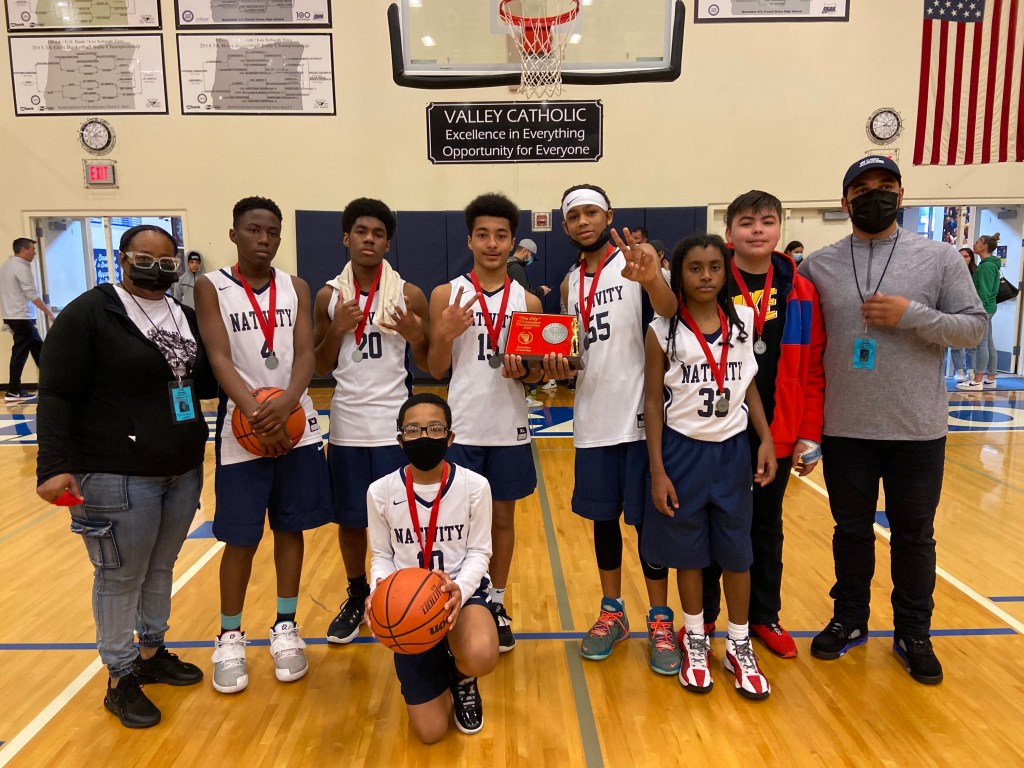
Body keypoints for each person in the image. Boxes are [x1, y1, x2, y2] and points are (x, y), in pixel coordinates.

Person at [800, 155, 986, 685]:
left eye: (885, 186)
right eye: (862, 189)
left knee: (914, 536)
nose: (874, 195)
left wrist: (913, 315)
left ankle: (913, 632)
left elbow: (973, 327)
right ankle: (850, 618)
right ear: (845, 202)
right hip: (845, 428)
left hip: (917, 429)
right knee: (850, 532)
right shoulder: (818, 266)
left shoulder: (939, 258)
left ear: (901, 195)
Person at [35, 224, 213, 728]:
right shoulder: (91, 313)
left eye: (166, 261)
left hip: (180, 467)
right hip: (116, 470)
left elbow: (199, 382)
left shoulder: (182, 315)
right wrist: (53, 465)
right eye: (145, 259)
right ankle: (119, 676)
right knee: (119, 576)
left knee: (161, 566)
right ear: (122, 259)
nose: (157, 268)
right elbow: (57, 392)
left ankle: (152, 652)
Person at [541, 184, 681, 675]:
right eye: (574, 216)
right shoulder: (568, 285)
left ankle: (659, 618)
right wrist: (560, 366)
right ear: (565, 226)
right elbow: (577, 351)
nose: (583, 222)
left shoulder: (639, 262)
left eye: (591, 212)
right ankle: (612, 612)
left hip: (641, 420)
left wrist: (652, 278)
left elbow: (670, 311)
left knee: (648, 525)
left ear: (608, 216)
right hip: (593, 417)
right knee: (604, 522)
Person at [195, 196, 331, 694]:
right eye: (254, 230)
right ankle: (230, 636)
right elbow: (218, 357)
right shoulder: (211, 286)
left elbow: (305, 352)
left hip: (295, 422)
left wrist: (288, 403)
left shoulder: (296, 286)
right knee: (241, 538)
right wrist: (257, 411)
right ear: (234, 234)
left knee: (290, 528)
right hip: (243, 425)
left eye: (272, 231)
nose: (264, 239)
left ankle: (286, 626)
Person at [644, 234, 777, 698]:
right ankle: (696, 639)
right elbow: (652, 402)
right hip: (682, 452)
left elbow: (749, 386)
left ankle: (739, 644)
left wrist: (765, 437)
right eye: (695, 268)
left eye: (714, 267)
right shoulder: (662, 330)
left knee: (737, 553)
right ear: (678, 274)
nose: (705, 276)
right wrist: (657, 470)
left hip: (732, 452)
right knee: (689, 555)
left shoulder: (743, 320)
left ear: (725, 273)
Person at [701, 191, 826, 660]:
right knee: (712, 524)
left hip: (778, 429)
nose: (758, 229)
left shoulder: (801, 289)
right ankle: (705, 616)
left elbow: (814, 368)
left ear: (779, 228)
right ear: (729, 232)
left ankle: (763, 616)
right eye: (747, 222)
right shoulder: (710, 279)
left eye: (767, 221)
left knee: (766, 527)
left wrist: (807, 435)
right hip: (717, 430)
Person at [427, 192, 544, 653]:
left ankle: (495, 601)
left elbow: (536, 375)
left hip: (508, 425)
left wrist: (526, 372)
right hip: (462, 426)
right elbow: (437, 368)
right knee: (457, 522)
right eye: (483, 235)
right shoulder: (445, 294)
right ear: (470, 240)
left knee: (502, 520)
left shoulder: (528, 301)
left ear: (513, 241)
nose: (492, 244)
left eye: (501, 235)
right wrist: (444, 333)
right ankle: (462, 599)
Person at [312, 197, 430, 644]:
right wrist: (337, 327)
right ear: (347, 238)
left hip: (394, 425)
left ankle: (401, 592)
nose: (369, 239)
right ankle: (357, 593)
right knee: (351, 520)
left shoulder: (409, 294)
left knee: (402, 517)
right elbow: (320, 365)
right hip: (347, 424)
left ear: (387, 244)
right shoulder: (328, 296)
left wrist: (415, 334)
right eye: (361, 231)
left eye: (378, 234)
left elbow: (429, 360)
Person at [365, 393, 498, 742]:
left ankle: (462, 675)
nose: (424, 436)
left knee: (482, 654)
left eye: (434, 428)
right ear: (400, 439)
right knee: (430, 732)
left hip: (460, 592)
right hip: (408, 605)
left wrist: (459, 591)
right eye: (413, 430)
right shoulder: (380, 492)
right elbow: (381, 555)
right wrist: (379, 592)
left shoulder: (475, 486)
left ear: (450, 437)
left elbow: (480, 551)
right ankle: (436, 661)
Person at [1, 237, 55, 402]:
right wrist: (48, 312)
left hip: (12, 315)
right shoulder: (21, 267)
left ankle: (50, 385)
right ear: (24, 250)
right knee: (21, 352)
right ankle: (13, 391)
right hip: (22, 317)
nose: (34, 253)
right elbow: (31, 293)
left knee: (39, 350)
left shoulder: (6, 266)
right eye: (32, 249)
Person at [957, 234, 1001, 391]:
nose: (974, 245)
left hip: (984, 309)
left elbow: (984, 291)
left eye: (977, 243)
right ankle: (991, 377)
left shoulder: (987, 267)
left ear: (984, 246)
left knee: (982, 344)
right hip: (988, 308)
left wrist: (978, 311)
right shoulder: (989, 265)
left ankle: (978, 380)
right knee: (988, 343)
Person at [949, 247, 977, 381]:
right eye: (960, 256)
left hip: (972, 311)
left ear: (971, 258)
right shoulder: (951, 272)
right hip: (956, 310)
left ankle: (971, 370)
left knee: (972, 343)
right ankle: (959, 371)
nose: (963, 259)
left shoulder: (976, 274)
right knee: (957, 343)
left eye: (966, 256)